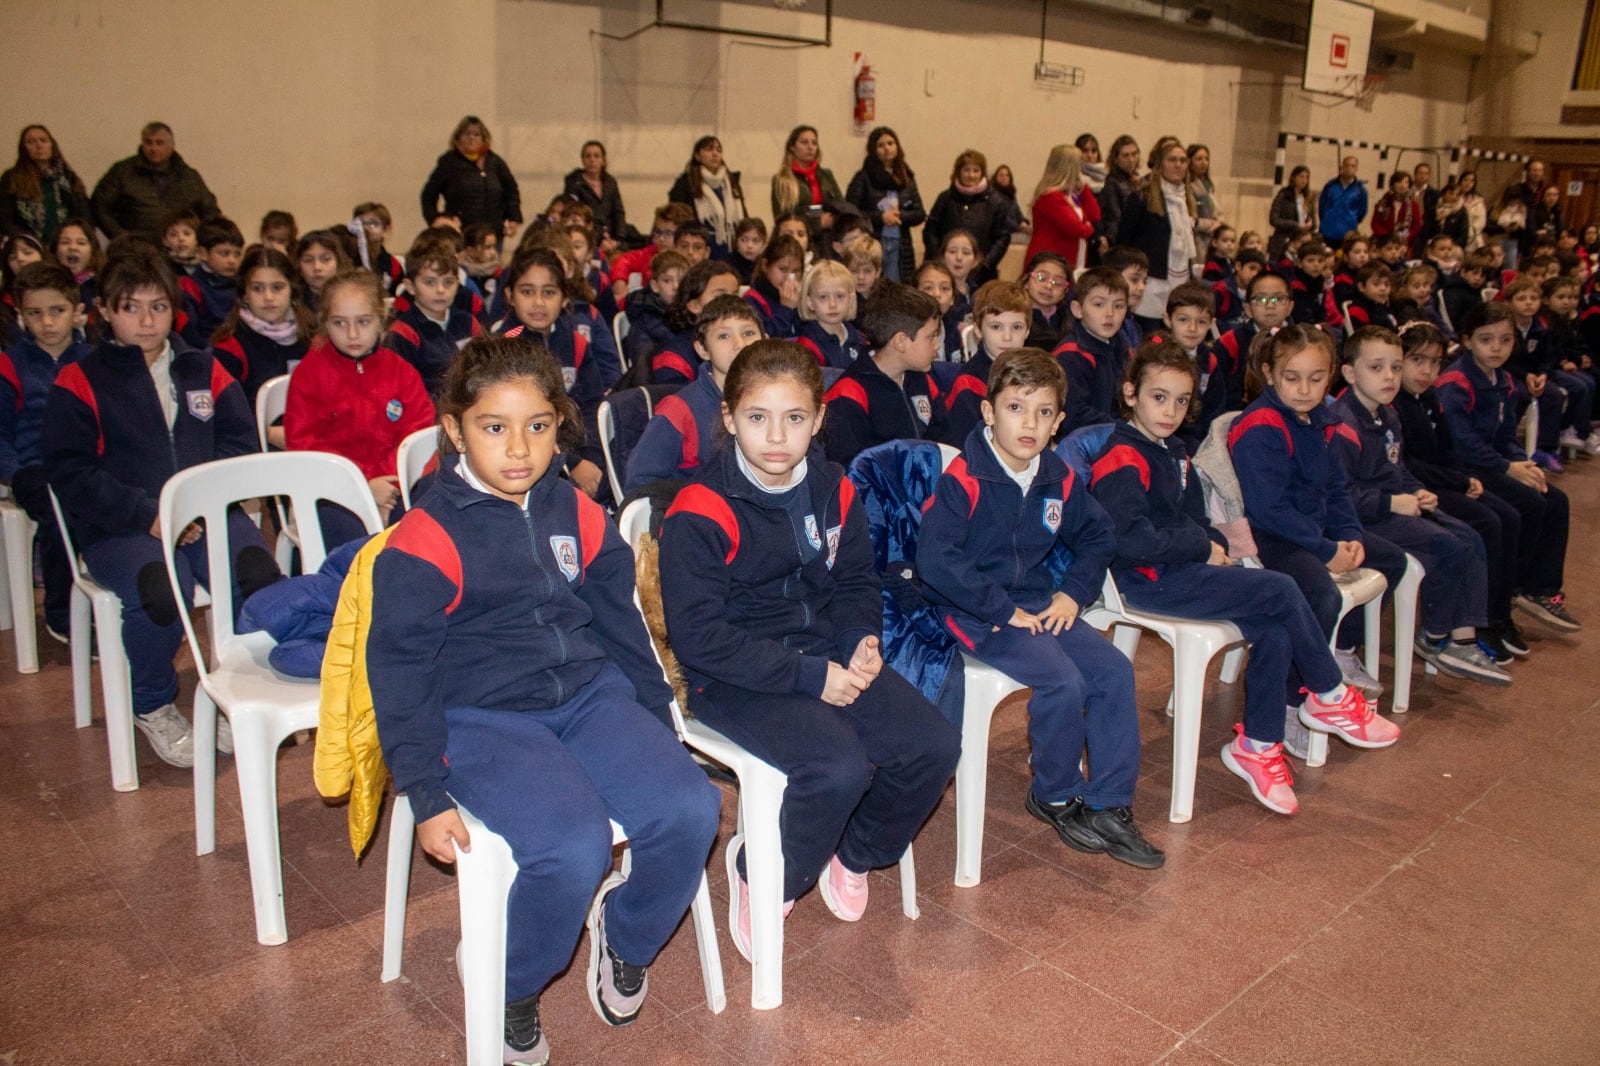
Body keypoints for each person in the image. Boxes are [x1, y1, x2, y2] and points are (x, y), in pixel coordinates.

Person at [368, 334, 720, 1066]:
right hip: (481, 719)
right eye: (494, 428)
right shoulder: (425, 539)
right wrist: (424, 791)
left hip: (589, 697)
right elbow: (399, 676)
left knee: (691, 808)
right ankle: (509, 982)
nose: (520, 448)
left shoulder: (580, 511)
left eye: (538, 425)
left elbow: (622, 627)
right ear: (455, 429)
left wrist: (659, 722)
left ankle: (623, 935)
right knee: (571, 845)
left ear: (560, 424)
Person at [659, 339, 960, 951]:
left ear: (819, 421)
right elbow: (699, 637)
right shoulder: (700, 508)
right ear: (728, 418)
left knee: (932, 744)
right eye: (757, 417)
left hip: (823, 654)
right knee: (837, 766)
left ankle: (852, 852)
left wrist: (859, 640)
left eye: (794, 418)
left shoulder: (835, 488)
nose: (776, 436)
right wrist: (809, 676)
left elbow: (854, 582)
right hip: (732, 676)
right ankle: (766, 873)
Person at [1091, 338, 1377, 813]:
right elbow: (1130, 540)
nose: (1170, 411)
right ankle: (1328, 692)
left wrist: (1213, 543)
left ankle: (1258, 747)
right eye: (1158, 397)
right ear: (1130, 394)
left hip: (1179, 570)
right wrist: (1202, 546)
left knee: (1274, 628)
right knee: (1282, 588)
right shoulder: (1121, 455)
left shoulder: (1175, 452)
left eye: (1181, 401)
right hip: (1143, 580)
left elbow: (1196, 520)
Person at [919, 347, 1163, 867]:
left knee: (1114, 671)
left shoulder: (1056, 475)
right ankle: (1054, 793)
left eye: (1044, 412)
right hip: (975, 612)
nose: (1029, 423)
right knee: (1062, 681)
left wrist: (1072, 592)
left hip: (1036, 603)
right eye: (1015, 408)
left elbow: (1099, 535)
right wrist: (1000, 609)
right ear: (989, 412)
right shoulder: (964, 478)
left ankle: (1110, 803)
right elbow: (935, 559)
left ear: (1058, 420)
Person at [42, 250, 276, 766]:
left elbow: (238, 443)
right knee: (158, 594)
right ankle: (150, 704)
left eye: (158, 307)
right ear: (103, 311)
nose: (147, 321)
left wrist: (199, 505)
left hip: (205, 515)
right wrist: (148, 514)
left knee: (258, 576)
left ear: (175, 310)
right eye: (131, 308)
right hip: (123, 527)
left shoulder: (203, 369)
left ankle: (243, 693)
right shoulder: (80, 380)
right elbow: (70, 471)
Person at [1227, 324, 1412, 703]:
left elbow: (1336, 490)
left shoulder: (1323, 420)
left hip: (1314, 531)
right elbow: (1268, 509)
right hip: (1270, 537)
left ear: (1330, 376)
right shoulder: (1260, 425)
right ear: (1269, 373)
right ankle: (1294, 698)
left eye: (1316, 379)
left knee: (1392, 560)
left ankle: (1340, 651)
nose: (1305, 390)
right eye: (1292, 378)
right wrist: (1326, 550)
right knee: (1321, 595)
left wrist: (1351, 537)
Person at [1331, 326, 1508, 683]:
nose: (1390, 377)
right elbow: (1338, 494)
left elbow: (1397, 468)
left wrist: (1418, 490)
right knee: (1445, 545)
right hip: (1364, 517)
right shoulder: (1341, 423)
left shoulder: (1388, 415)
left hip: (1393, 504)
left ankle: (1463, 638)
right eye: (1377, 368)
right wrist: (1393, 502)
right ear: (1350, 373)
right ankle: (1436, 635)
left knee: (1470, 536)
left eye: (1396, 368)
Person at [1393, 322, 1528, 661]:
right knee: (1484, 523)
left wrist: (1464, 476)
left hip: (1441, 481)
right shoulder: (1396, 404)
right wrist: (1459, 481)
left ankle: (1496, 614)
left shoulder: (1429, 397)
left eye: (1435, 362)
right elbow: (1409, 464)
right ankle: (1474, 624)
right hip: (1422, 487)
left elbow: (1447, 449)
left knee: (1509, 515)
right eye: (1417, 360)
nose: (1427, 371)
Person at [285, 269, 435, 544]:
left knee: (422, 528)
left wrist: (388, 485)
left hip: (395, 484)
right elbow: (304, 446)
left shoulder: (402, 372)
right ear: (324, 323)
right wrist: (363, 486)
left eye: (363, 322)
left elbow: (417, 436)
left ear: (381, 320)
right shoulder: (309, 374)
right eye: (339, 323)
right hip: (330, 491)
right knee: (356, 545)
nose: (352, 333)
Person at [2, 262, 91, 640]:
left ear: (76, 310)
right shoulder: (9, 364)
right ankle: (63, 612)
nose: (48, 323)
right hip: (35, 470)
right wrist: (15, 472)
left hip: (89, 464)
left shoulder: (95, 361)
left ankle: (132, 603)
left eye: (57, 311)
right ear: (21, 316)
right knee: (62, 512)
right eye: (35, 314)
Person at [494, 246, 623, 498]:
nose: (538, 302)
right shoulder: (502, 348)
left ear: (565, 299)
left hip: (579, 452)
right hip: (523, 457)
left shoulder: (576, 344)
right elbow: (520, 424)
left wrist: (594, 460)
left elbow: (592, 407)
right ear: (510, 295)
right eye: (527, 291)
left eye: (549, 292)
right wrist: (572, 463)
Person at [625, 295, 762, 490]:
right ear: (702, 349)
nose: (739, 344)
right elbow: (639, 485)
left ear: (765, 341)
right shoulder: (679, 411)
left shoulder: (778, 403)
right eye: (723, 336)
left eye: (748, 333)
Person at [822, 283, 945, 464]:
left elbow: (946, 443)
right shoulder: (849, 396)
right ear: (901, 342)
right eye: (931, 337)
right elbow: (849, 472)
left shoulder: (923, 380)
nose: (937, 345)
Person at [209, 246, 312, 417]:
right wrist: (268, 433)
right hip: (255, 439)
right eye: (257, 288)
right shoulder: (229, 346)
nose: (268, 297)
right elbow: (228, 413)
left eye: (277, 287)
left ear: (292, 290)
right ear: (244, 295)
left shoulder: (312, 338)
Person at [1116, 138, 1197, 335]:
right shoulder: (1142, 197)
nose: (1178, 165)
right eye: (1172, 160)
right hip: (1150, 283)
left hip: (1179, 279)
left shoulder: (1187, 199)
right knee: (1148, 337)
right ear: (1160, 165)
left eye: (1183, 160)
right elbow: (1123, 241)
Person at [89, 123, 219, 241]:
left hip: (179, 250)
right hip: (135, 250)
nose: (153, 148)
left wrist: (201, 239)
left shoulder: (189, 177)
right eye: (148, 142)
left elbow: (210, 210)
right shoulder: (122, 172)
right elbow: (99, 205)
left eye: (159, 143)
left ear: (172, 146)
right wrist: (119, 235)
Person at [385, 240, 484, 395]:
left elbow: (485, 372)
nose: (440, 290)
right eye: (430, 282)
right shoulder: (402, 333)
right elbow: (400, 390)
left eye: (448, 282)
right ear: (410, 286)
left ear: (457, 285)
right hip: (426, 413)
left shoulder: (469, 323)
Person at [941, 280, 1030, 446]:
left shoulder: (1033, 377)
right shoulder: (968, 384)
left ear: (1028, 331)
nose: (1007, 337)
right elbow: (964, 446)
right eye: (996, 327)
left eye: (1016, 327)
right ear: (978, 330)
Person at [1053, 266, 1132, 432]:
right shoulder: (1071, 355)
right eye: (1099, 304)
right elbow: (1072, 415)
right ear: (1078, 309)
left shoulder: (1125, 350)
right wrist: (1125, 427)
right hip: (1081, 444)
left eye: (1118, 306)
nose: (1109, 313)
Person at [421, 116, 523, 242]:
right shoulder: (449, 163)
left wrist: (513, 217)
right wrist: (436, 219)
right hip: (461, 235)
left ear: (484, 138)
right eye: (467, 133)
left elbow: (511, 190)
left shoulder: (495, 162)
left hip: (492, 234)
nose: (471, 138)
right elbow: (428, 195)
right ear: (458, 137)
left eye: (477, 134)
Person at [922, 150, 1015, 287]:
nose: (971, 175)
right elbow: (930, 231)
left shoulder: (996, 202)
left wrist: (984, 264)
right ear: (958, 172)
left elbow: (1002, 238)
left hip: (981, 274)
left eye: (975, 171)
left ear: (982, 173)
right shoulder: (945, 198)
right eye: (966, 170)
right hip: (944, 270)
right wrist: (939, 259)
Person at [844, 127, 926, 284]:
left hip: (901, 245)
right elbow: (851, 212)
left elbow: (920, 213)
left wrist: (900, 215)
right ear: (873, 150)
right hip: (873, 241)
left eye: (890, 143)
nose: (886, 148)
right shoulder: (863, 177)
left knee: (896, 287)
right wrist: (881, 218)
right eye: (881, 145)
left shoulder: (906, 177)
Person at [1212, 268, 1294, 411]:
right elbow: (1218, 394)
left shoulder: (1300, 341)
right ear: (1248, 309)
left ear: (1290, 307)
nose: (1270, 305)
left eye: (1279, 299)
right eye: (1261, 299)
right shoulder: (1230, 342)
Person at [0, 125, 92, 244]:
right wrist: (26, 240)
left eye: (43, 140)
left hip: (64, 244)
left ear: (52, 145)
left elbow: (84, 215)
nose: (39, 146)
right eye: (31, 142)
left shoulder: (68, 177)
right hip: (27, 244)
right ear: (23, 148)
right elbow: (5, 219)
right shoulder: (12, 178)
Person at [668, 135, 748, 262]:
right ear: (697, 156)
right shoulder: (685, 184)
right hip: (699, 247)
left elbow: (744, 216)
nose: (715, 153)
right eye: (709, 149)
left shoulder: (731, 183)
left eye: (718, 150)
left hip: (729, 247)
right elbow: (679, 219)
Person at [1024, 145, 1100, 276]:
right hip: (1050, 261)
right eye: (1078, 165)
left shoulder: (1072, 195)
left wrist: (1084, 190)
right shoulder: (1051, 197)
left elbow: (1095, 215)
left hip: (1070, 260)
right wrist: (1089, 228)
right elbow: (1076, 229)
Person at [178, 216, 245, 347]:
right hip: (205, 352)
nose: (232, 260)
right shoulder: (190, 286)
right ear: (203, 253)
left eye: (237, 254)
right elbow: (189, 333)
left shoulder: (243, 286)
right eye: (224, 253)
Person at [795, 259, 867, 370]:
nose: (832, 304)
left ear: (851, 299)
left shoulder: (860, 339)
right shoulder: (806, 347)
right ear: (810, 302)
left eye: (839, 296)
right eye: (823, 297)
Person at [770, 125, 841, 232]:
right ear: (792, 147)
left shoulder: (826, 174)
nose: (810, 147)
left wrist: (808, 211)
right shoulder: (781, 180)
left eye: (814, 143)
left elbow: (841, 206)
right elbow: (783, 217)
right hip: (798, 238)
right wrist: (817, 220)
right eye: (804, 142)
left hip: (830, 236)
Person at [564, 140, 628, 253]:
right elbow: (576, 215)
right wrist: (599, 241)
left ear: (603, 160)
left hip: (612, 239)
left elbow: (619, 212)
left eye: (596, 156)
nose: (592, 160)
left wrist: (617, 239)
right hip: (587, 239)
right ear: (582, 160)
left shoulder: (611, 182)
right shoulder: (574, 182)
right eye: (588, 156)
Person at [742, 233, 804, 340]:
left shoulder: (800, 296)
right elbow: (764, 339)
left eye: (796, 271)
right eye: (783, 269)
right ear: (765, 266)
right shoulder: (752, 300)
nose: (789, 277)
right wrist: (786, 309)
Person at [1095, 135, 1141, 261]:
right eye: (1125, 156)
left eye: (1134, 154)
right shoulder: (1113, 183)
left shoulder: (1136, 179)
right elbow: (1115, 216)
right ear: (1116, 159)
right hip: (1119, 241)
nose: (1131, 159)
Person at [1022, 250, 1073, 351]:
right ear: (1026, 281)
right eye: (1041, 278)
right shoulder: (1017, 315)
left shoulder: (1070, 318)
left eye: (1057, 283)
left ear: (1065, 291)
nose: (1049, 286)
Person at [1186, 143, 1225, 262]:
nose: (1204, 162)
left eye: (1206, 159)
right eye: (1199, 159)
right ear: (1190, 161)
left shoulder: (1209, 185)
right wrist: (1208, 224)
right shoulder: (1187, 186)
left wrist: (1219, 222)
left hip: (1211, 234)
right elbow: (1189, 217)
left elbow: (1218, 210)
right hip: (1195, 236)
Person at [1269, 165, 1317, 260]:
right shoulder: (1283, 195)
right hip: (1284, 239)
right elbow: (1274, 219)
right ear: (1294, 178)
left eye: (1306, 177)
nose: (1304, 180)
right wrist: (1295, 225)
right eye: (1301, 177)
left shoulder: (1308, 197)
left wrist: (1310, 224)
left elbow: (1313, 219)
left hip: (1303, 240)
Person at [1318, 156, 1368, 246]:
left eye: (1353, 166)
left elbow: (1362, 211)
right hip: (1328, 231)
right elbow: (1322, 206)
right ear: (1341, 167)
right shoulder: (1330, 186)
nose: (1349, 168)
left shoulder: (1360, 190)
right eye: (1347, 165)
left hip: (1347, 233)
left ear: (1357, 169)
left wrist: (1352, 220)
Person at [1370, 172, 1421, 258]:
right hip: (1382, 240)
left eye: (1406, 182)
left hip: (1403, 243)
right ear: (1393, 184)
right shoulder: (1383, 202)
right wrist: (1387, 236)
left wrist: (1403, 236)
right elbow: (1375, 222)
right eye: (1399, 182)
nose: (1403, 185)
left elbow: (1416, 225)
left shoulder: (1413, 205)